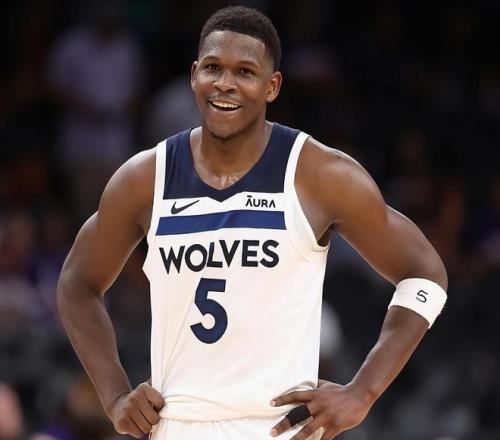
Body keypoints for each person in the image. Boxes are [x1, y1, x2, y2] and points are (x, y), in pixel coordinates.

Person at [57, 6, 448, 440]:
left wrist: (363, 392)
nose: (225, 83)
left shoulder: (320, 174)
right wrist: (114, 396)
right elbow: (76, 284)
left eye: (244, 71)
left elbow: (425, 273)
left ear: (271, 86)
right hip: (177, 425)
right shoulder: (145, 179)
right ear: (194, 76)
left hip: (278, 428)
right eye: (213, 68)